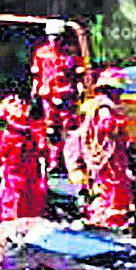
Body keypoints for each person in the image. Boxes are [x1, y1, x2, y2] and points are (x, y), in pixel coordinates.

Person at [78, 68, 133, 229]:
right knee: (114, 191)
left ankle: (103, 219)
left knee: (107, 190)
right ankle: (109, 223)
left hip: (107, 159)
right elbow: (106, 125)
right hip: (110, 161)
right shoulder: (104, 106)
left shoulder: (96, 104)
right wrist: (122, 126)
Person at [29, 20, 84, 170]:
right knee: (51, 128)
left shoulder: (70, 54)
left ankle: (72, 161)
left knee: (70, 128)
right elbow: (37, 74)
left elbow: (78, 74)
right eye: (51, 37)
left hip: (66, 96)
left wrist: (80, 89)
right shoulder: (41, 53)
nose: (54, 41)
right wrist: (34, 92)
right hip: (48, 96)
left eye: (57, 37)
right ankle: (53, 160)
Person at [0, 95, 47, 221]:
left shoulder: (33, 129)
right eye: (13, 103)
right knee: (15, 195)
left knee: (32, 193)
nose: (18, 104)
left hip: (30, 169)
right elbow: (1, 154)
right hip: (15, 171)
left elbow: (40, 148)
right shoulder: (8, 134)